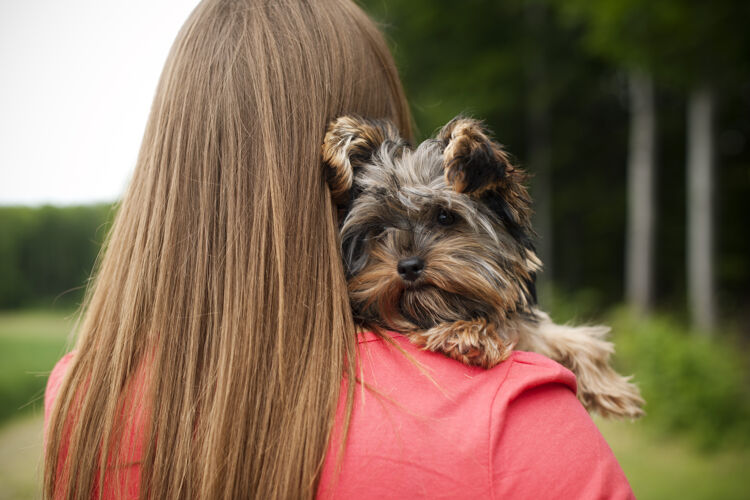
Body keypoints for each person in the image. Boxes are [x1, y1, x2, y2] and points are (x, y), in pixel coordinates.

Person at [43, 0, 635, 498]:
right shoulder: (515, 417)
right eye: (377, 233)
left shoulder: (82, 397)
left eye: (441, 222)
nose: (406, 256)